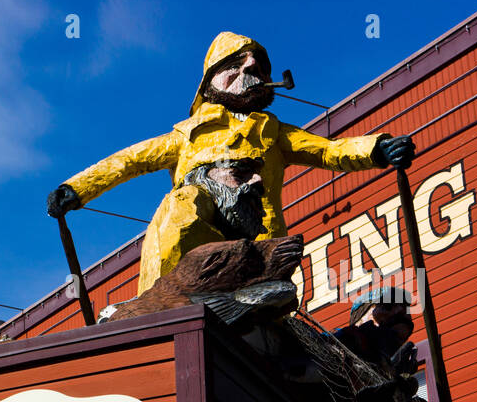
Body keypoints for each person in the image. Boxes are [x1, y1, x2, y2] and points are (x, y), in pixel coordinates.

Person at [47, 32, 415, 296]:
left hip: (261, 247)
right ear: (211, 80)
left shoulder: (275, 132)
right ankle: (166, 295)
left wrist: (377, 149)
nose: (250, 67)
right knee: (182, 203)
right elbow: (127, 161)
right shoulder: (186, 135)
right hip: (197, 246)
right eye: (235, 64)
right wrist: (77, 189)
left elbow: (329, 150)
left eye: (254, 65)